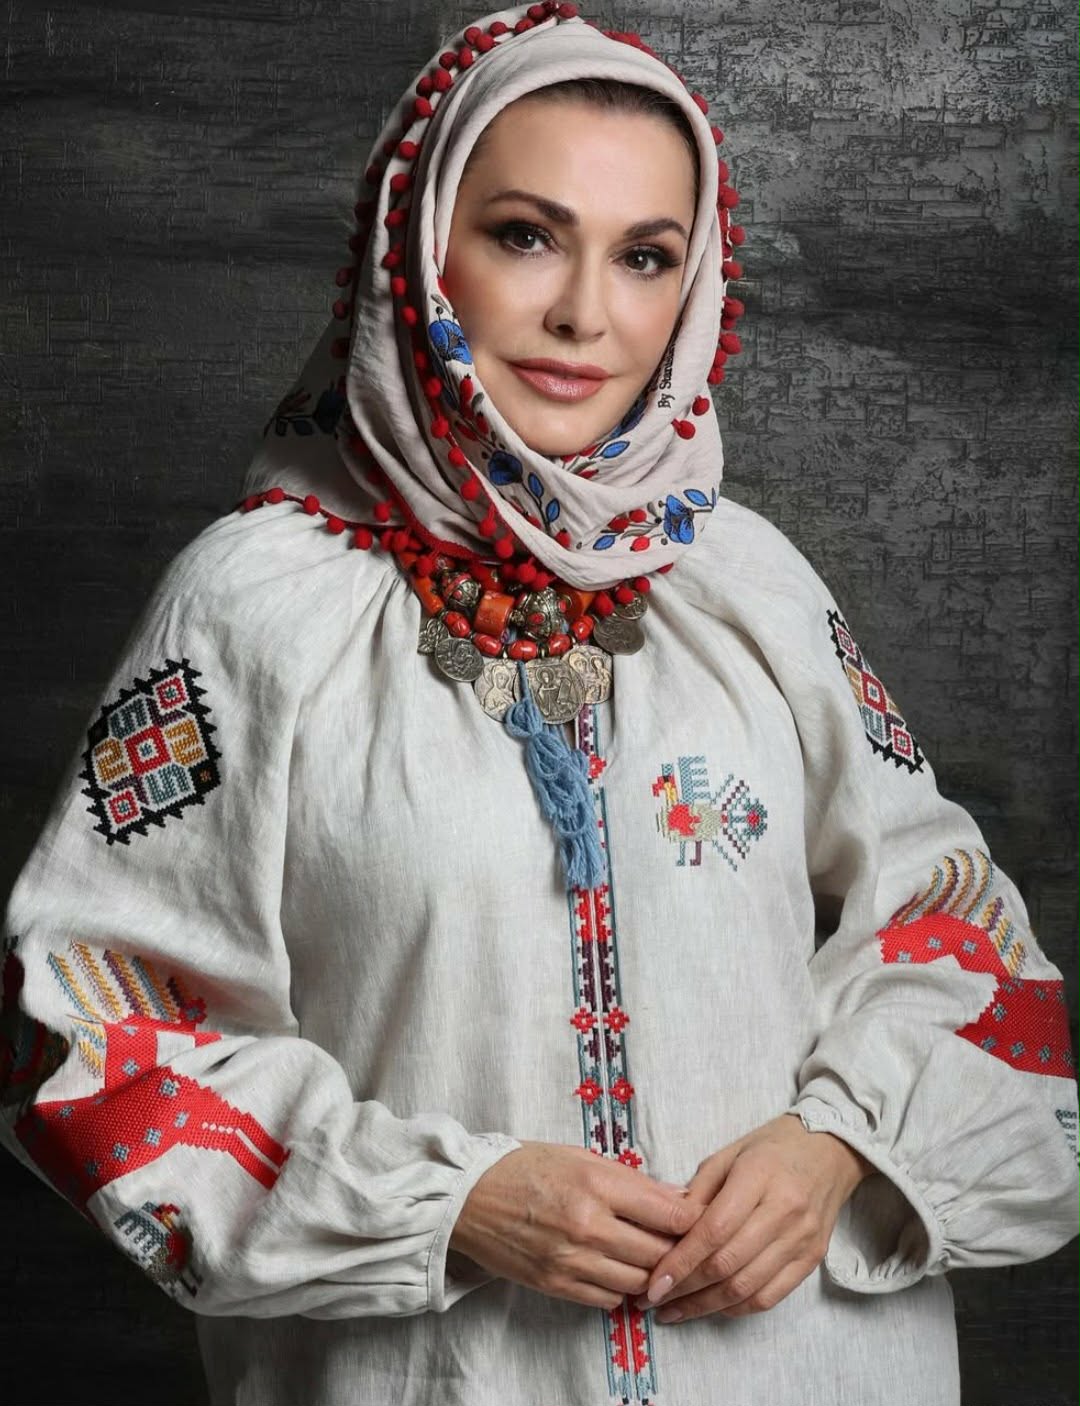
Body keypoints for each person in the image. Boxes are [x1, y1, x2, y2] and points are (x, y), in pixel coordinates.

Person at [2, 3, 1078, 1403]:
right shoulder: (254, 607)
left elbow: (969, 939)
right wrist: (452, 1202)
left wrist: (840, 1146)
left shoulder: (748, 584)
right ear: (418, 251)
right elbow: (89, 1032)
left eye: (645, 257)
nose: (585, 313)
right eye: (525, 236)